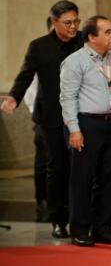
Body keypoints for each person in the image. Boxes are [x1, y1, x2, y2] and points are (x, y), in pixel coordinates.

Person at [0, 0, 83, 238]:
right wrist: (14, 98)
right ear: (54, 23)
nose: (73, 26)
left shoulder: (82, 43)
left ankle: (81, 217)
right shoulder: (39, 46)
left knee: (80, 168)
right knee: (56, 167)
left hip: (79, 114)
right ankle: (58, 220)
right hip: (50, 118)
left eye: (76, 21)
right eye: (67, 22)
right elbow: (25, 76)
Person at [60, 15, 111, 247]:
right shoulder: (74, 61)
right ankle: (79, 229)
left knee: (109, 179)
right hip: (86, 124)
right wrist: (74, 130)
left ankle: (103, 229)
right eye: (107, 32)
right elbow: (67, 98)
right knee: (82, 179)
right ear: (91, 36)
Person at [23, 16, 54, 222]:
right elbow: (29, 89)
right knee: (43, 160)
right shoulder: (40, 51)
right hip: (43, 118)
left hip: (63, 118)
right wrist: (38, 113)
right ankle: (41, 197)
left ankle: (58, 199)